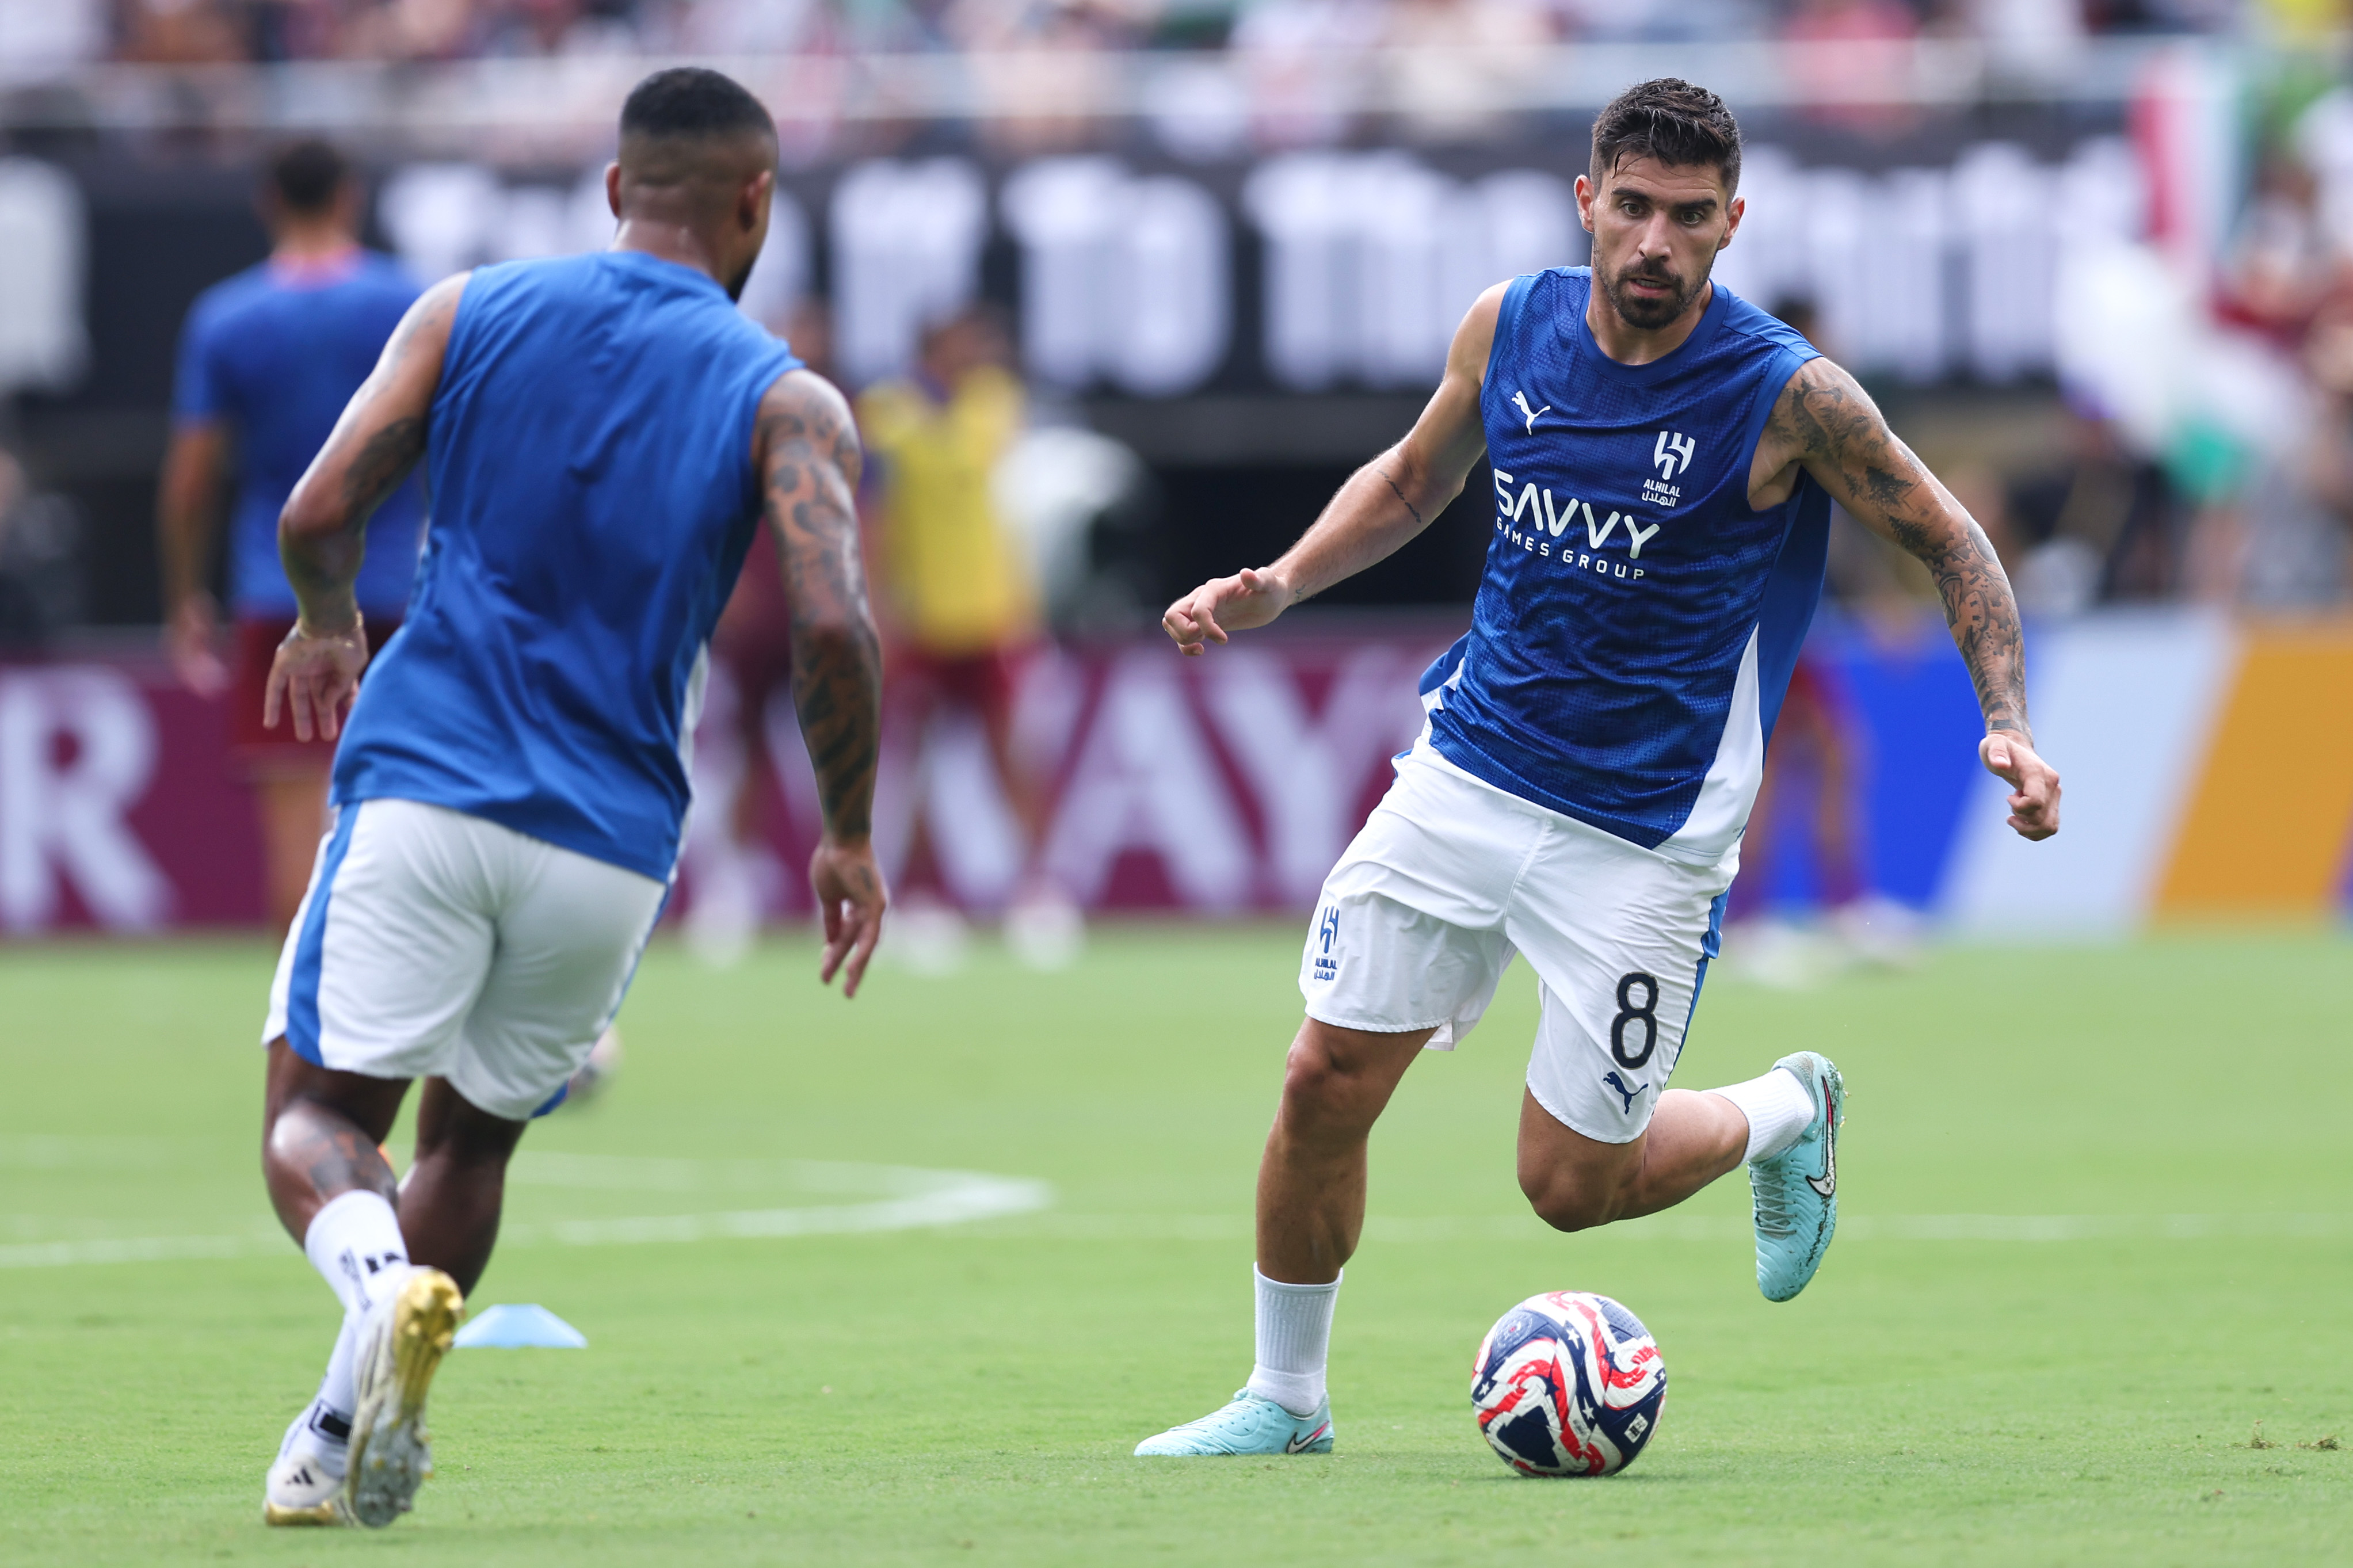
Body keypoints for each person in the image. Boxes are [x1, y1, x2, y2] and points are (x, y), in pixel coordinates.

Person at [1139, 78, 2061, 1458]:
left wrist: (2010, 716)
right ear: (1587, 201)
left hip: (1645, 834)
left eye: (1688, 219)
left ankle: (1785, 1108)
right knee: (1324, 1076)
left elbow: (1950, 539)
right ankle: (1287, 1396)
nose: (1653, 243)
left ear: (1730, 224)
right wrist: (1278, 583)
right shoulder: (1508, 327)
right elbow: (1409, 479)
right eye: (1630, 207)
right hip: (1467, 770)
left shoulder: (1787, 394)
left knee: (1569, 1184)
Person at [252, 67, 886, 1528]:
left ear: (614, 189)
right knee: (471, 1143)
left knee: (314, 1117)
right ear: (756, 203)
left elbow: (316, 509)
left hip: (428, 781)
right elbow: (837, 624)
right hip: (609, 843)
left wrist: (327, 615)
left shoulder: (466, 311)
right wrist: (846, 830)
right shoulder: (788, 399)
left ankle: (378, 1284)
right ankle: (336, 1433)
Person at [159, 138, 426, 932]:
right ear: (349, 195)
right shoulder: (407, 302)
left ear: (267, 200)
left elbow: (190, 478)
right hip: (397, 591)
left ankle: (304, 1039)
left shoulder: (226, 318)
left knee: (296, 838)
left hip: (275, 591)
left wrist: (183, 596)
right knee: (410, 820)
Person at [857, 306, 1078, 966]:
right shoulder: (886, 418)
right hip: (923, 619)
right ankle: (923, 898)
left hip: (991, 615)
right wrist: (881, 608)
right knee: (917, 762)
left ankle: (1037, 890)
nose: (979, 353)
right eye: (965, 343)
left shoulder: (995, 405)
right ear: (933, 347)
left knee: (1013, 755)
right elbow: (876, 522)